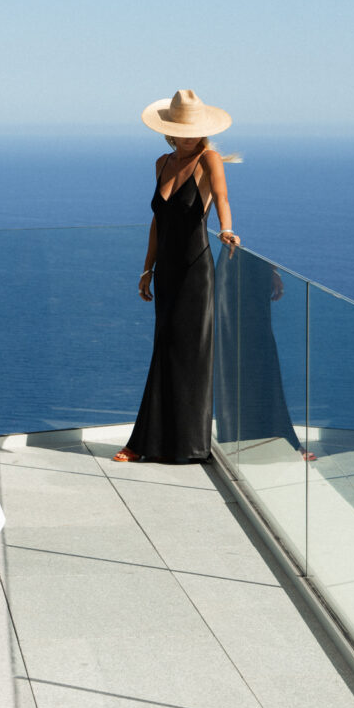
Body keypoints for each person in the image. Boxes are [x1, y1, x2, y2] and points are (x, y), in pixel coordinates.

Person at [114, 89, 240, 464]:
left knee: (191, 355)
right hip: (167, 271)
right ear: (168, 132)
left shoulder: (209, 159)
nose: (187, 138)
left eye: (193, 132)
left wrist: (228, 230)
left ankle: (188, 445)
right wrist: (147, 268)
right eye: (180, 132)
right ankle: (150, 441)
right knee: (164, 350)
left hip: (195, 270)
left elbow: (222, 199)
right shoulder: (162, 163)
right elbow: (159, 221)